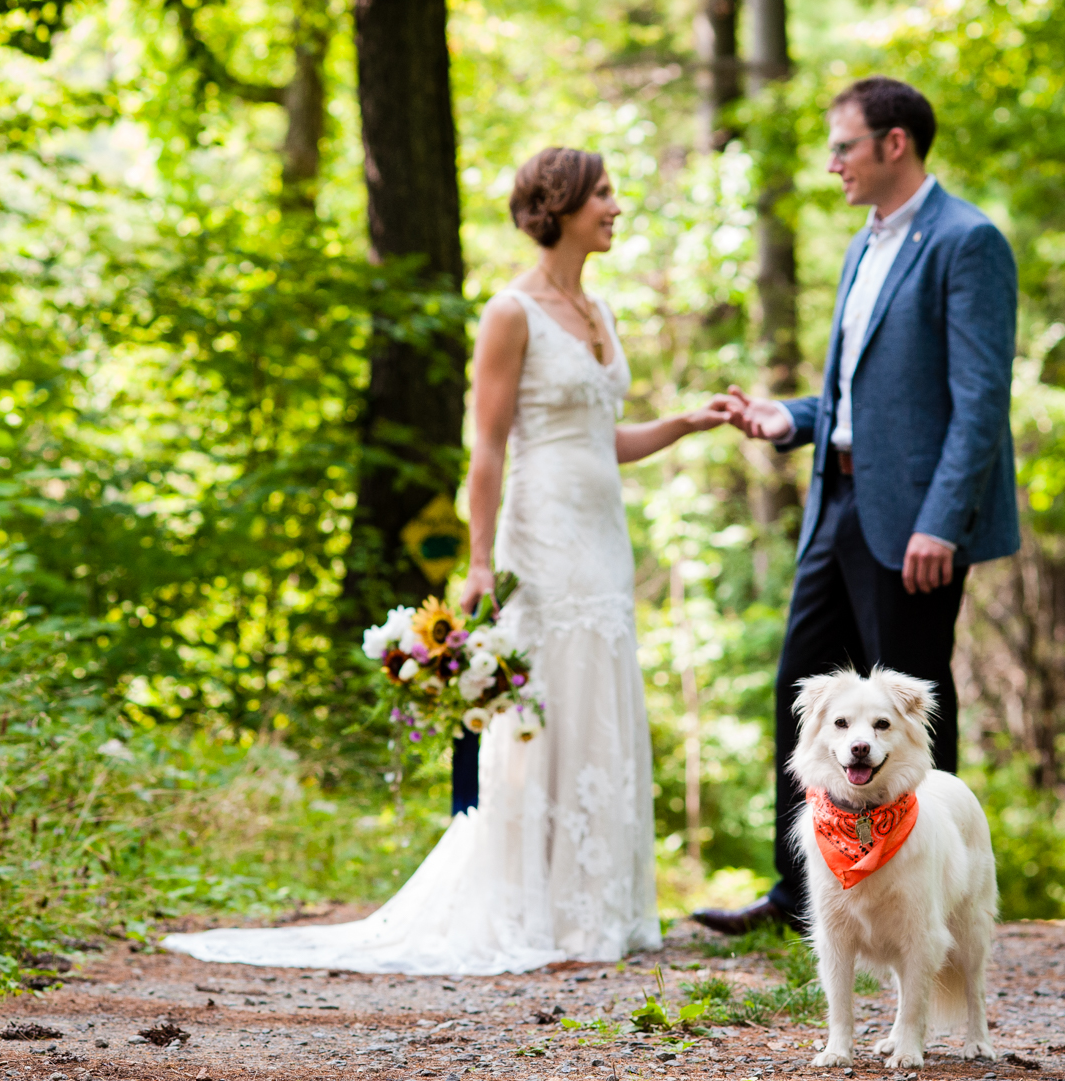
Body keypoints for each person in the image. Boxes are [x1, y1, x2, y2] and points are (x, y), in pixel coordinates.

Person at [162, 147, 732, 974]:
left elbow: (601, 439)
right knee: (545, 705)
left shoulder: (599, 309)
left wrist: (683, 423)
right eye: (603, 193)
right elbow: (488, 446)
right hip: (537, 536)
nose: (616, 206)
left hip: (602, 531)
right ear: (561, 205)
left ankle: (597, 906)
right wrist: (476, 560)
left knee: (596, 692)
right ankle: (530, 903)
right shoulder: (511, 311)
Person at [692, 77, 1020, 937]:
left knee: (904, 713)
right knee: (804, 699)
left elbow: (979, 398)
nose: (833, 161)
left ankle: (924, 904)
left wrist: (943, 519)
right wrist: (788, 418)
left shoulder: (968, 240)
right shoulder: (861, 245)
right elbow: (862, 397)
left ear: (894, 144)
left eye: (843, 145)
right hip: (833, 504)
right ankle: (802, 894)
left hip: (917, 527)